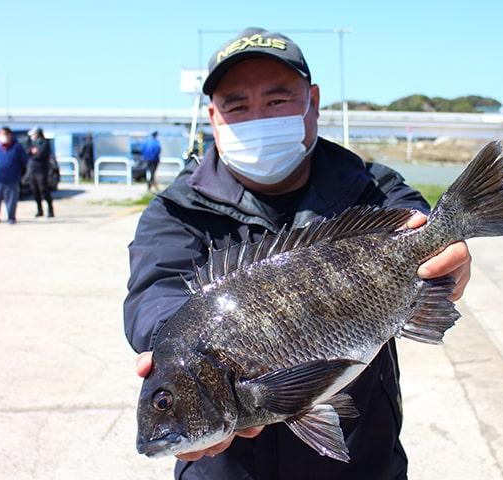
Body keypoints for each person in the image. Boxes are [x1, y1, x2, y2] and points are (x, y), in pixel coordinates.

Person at [123, 27, 472, 480]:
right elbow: (154, 294)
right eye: (237, 105)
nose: (258, 117)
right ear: (213, 117)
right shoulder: (176, 210)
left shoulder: (372, 187)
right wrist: (170, 343)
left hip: (365, 462)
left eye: (277, 99)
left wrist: (447, 266)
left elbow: (418, 230)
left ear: (314, 100)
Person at [0, 127, 28, 224]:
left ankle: (11, 217)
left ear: (9, 135)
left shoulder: (17, 147)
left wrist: (20, 174)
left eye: (3, 134)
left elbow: (24, 161)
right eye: (0, 135)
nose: (1, 137)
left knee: (11, 199)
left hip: (12, 178)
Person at [27, 127, 54, 217]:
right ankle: (39, 210)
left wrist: (34, 154)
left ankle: (50, 209)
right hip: (33, 170)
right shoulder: (33, 144)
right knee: (35, 191)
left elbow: (39, 155)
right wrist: (32, 152)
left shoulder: (45, 144)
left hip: (42, 170)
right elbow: (28, 152)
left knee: (44, 190)